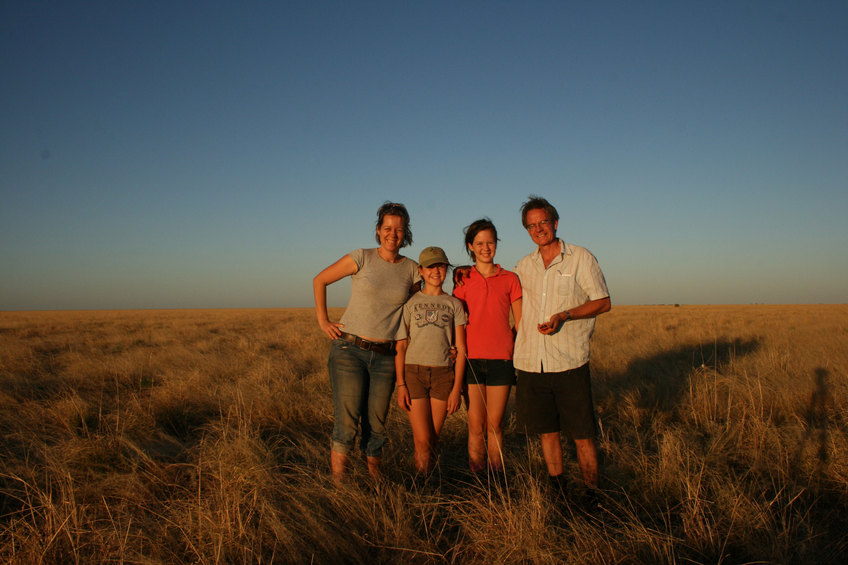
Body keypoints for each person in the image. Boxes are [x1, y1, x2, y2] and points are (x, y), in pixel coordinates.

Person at [313, 202, 420, 483]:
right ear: (378, 230)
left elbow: (428, 296)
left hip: (386, 357)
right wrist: (323, 321)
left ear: (405, 233)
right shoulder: (362, 257)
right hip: (349, 351)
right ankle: (340, 485)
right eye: (387, 228)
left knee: (377, 424)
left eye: (398, 229)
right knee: (347, 423)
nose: (392, 234)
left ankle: (375, 481)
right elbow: (320, 280)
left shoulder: (411, 269)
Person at [512, 196, 611, 499]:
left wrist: (565, 314)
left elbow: (603, 302)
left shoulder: (580, 257)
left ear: (555, 223)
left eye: (543, 222)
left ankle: (594, 496)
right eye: (532, 225)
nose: (538, 229)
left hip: (569, 362)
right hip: (532, 364)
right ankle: (559, 494)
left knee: (582, 435)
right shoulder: (523, 266)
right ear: (527, 231)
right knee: (547, 433)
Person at [452, 219, 522, 473]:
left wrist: (506, 341)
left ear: (496, 244)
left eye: (490, 242)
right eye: (479, 243)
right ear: (470, 246)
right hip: (470, 360)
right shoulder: (462, 280)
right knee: (474, 426)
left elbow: (521, 320)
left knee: (495, 425)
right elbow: (455, 320)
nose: (485, 248)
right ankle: (476, 476)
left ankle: (496, 476)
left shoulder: (510, 279)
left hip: (501, 360)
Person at [395, 246, 467, 474]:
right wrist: (401, 384)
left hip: (443, 375)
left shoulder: (454, 304)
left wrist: (457, 389)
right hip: (413, 373)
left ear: (446, 269)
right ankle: (421, 487)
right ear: (421, 271)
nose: (436, 271)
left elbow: (462, 348)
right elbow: (402, 344)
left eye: (441, 266)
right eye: (431, 266)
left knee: (433, 440)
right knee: (423, 442)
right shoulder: (410, 303)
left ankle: (430, 484)